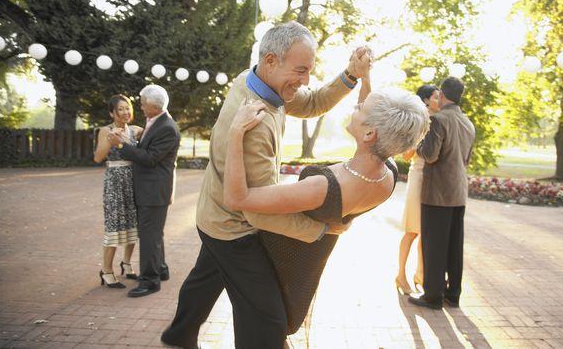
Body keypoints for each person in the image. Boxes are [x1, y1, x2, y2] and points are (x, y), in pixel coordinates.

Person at [161, 21, 371, 349]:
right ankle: (185, 336)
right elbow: (258, 212)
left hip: (213, 214)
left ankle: (178, 336)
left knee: (207, 278)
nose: (304, 81)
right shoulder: (253, 125)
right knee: (266, 316)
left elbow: (314, 102)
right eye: (300, 70)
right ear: (271, 60)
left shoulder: (258, 81)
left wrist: (351, 75)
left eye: (309, 71)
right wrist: (319, 232)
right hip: (232, 228)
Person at [224, 80, 429, 335]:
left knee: (263, 325)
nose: (356, 105)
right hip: (314, 254)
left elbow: (237, 199)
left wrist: (234, 132)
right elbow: (380, 125)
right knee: (276, 322)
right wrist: (365, 77)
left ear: (369, 134)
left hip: (282, 255)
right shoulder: (387, 175)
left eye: (361, 108)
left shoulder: (322, 187)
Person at [409, 77, 475, 310]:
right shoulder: (468, 122)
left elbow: (430, 155)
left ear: (442, 95)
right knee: (454, 245)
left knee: (434, 245)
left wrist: (416, 142)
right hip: (458, 191)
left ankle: (433, 296)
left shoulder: (438, 120)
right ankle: (453, 294)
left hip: (437, 193)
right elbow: (466, 159)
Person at [108, 84, 181, 298]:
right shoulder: (156, 122)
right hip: (151, 189)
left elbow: (150, 158)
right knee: (154, 234)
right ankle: (161, 269)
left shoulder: (166, 127)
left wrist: (121, 146)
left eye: (142, 103)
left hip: (154, 190)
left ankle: (150, 281)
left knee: (149, 236)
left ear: (154, 106)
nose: (139, 107)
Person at [93, 94, 142, 288]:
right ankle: (106, 271)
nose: (125, 112)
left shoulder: (137, 130)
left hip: (133, 180)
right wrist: (111, 140)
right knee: (114, 225)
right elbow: (98, 157)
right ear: (112, 112)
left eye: (127, 108)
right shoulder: (105, 130)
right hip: (114, 182)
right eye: (120, 109)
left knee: (133, 224)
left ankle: (127, 263)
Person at [395, 84, 440, 295]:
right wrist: (422, 136)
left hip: (434, 181)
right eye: (436, 96)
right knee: (412, 230)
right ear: (425, 100)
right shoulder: (417, 122)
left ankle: (420, 275)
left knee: (427, 232)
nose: (439, 99)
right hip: (418, 176)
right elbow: (405, 155)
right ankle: (401, 274)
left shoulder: (441, 121)